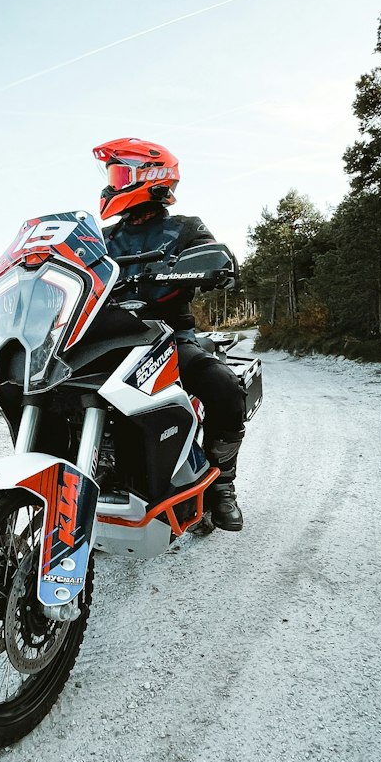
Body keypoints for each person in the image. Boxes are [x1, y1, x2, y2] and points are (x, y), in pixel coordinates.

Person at [94, 136, 246, 531]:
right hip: (109, 338)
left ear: (153, 178)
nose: (113, 183)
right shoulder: (103, 239)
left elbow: (220, 258)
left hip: (168, 337)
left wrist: (209, 265)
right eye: (113, 173)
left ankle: (221, 486)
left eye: (121, 173)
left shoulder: (184, 228)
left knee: (225, 388)